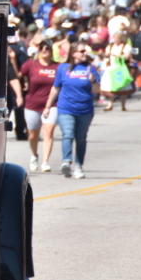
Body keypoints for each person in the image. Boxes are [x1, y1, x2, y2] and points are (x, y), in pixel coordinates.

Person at [43, 42, 100, 179]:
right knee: (67, 134)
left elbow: (97, 91)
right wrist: (48, 106)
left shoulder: (90, 69)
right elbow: (56, 88)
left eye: (85, 51)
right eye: (81, 51)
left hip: (85, 109)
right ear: (73, 53)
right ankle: (66, 162)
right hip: (66, 108)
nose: (84, 53)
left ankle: (79, 166)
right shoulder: (63, 68)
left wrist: (93, 82)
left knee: (81, 138)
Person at [20, 37, 59, 174]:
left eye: (47, 48)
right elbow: (18, 75)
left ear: (51, 50)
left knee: (48, 131)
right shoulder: (31, 64)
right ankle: (34, 155)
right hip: (32, 104)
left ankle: (45, 162)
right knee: (32, 134)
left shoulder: (57, 67)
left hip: (52, 104)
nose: (44, 50)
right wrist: (22, 87)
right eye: (41, 48)